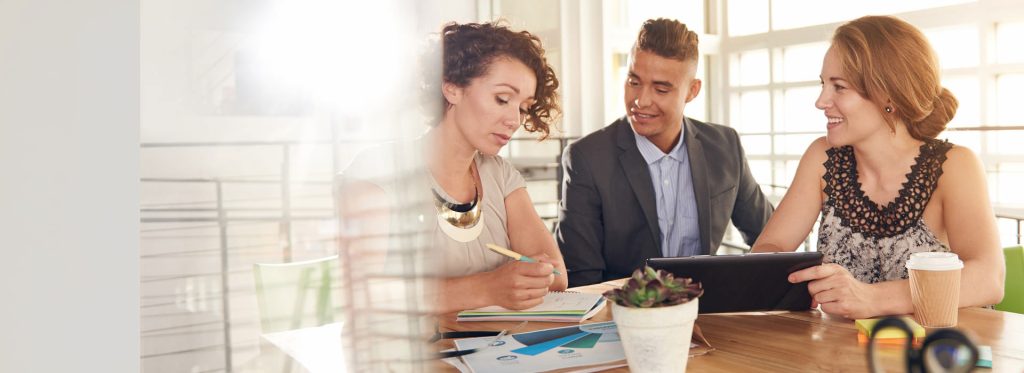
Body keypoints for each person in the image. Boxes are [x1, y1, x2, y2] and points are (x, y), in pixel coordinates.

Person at [751, 15, 1005, 319]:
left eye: (839, 87)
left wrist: (873, 298)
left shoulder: (954, 165)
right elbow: (771, 245)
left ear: (888, 95)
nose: (821, 101)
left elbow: (988, 278)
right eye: (823, 84)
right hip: (845, 355)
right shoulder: (822, 157)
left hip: (938, 352)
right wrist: (787, 280)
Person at [339, 21, 567, 313]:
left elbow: (557, 275)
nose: (515, 119)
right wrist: (487, 288)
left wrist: (536, 275)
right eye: (502, 99)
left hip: (495, 350)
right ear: (452, 88)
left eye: (523, 108)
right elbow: (360, 294)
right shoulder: (377, 172)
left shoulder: (500, 175)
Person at [557, 18, 774, 287]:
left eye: (660, 89)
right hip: (622, 317)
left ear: (692, 91)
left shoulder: (724, 146)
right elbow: (580, 277)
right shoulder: (587, 158)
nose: (641, 100)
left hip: (707, 313)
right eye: (634, 82)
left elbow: (771, 237)